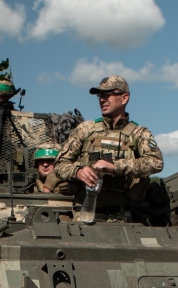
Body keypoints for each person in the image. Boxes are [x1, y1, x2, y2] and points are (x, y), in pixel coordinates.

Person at [53, 75, 163, 206]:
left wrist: (115, 166)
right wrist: (78, 172)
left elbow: (156, 162)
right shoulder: (86, 129)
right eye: (100, 95)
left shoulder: (138, 133)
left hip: (121, 214)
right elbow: (60, 164)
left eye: (108, 94)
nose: (102, 100)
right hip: (85, 211)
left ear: (124, 98)